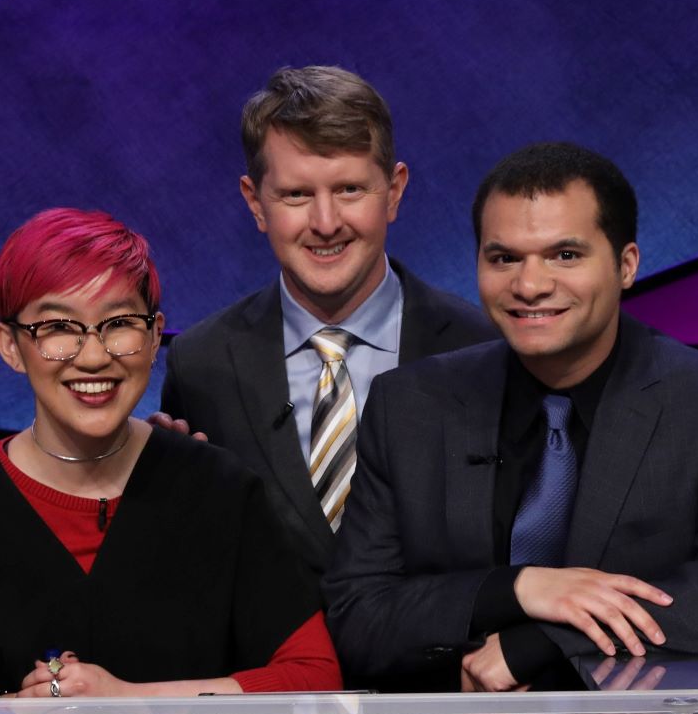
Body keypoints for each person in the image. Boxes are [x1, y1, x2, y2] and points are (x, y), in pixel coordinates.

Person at [324, 143, 698, 692]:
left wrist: (545, 641)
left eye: (565, 255)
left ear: (626, 265)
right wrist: (515, 589)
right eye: (504, 258)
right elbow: (357, 615)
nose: (530, 285)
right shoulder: (410, 405)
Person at [0, 208, 341, 698]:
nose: (95, 355)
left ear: (154, 335)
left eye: (119, 323)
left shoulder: (222, 493)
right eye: (59, 327)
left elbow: (314, 679)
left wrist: (132, 704)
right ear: (10, 346)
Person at [158, 66, 495, 576]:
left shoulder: (481, 349)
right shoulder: (202, 365)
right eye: (296, 195)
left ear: (395, 190)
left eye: (350, 190)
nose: (325, 223)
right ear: (256, 203)